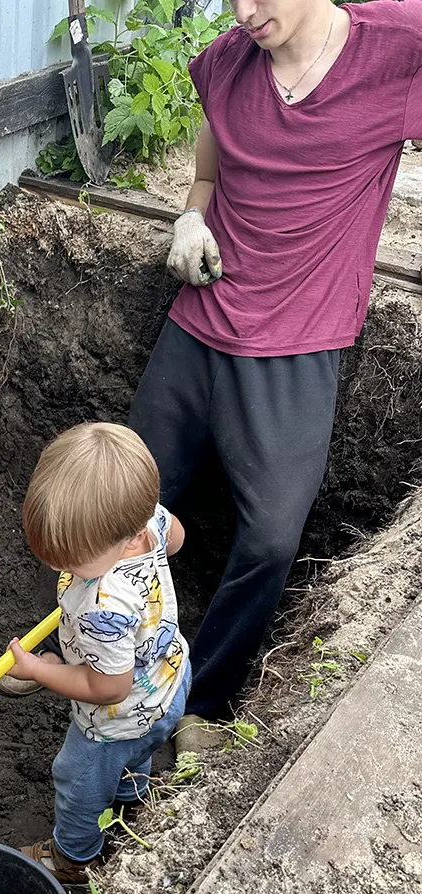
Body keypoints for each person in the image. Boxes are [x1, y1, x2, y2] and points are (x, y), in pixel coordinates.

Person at [128, 0, 422, 748]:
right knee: (122, 503)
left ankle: (204, 704)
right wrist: (190, 217)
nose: (244, 11)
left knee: (267, 542)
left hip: (297, 339)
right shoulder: (230, 61)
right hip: (202, 312)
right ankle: (102, 655)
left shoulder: (397, 49)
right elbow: (208, 169)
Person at [4, 423, 191, 885]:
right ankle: (132, 799)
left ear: (122, 539)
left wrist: (41, 671)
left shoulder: (101, 608)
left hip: (114, 720)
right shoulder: (150, 519)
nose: (55, 567)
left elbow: (108, 687)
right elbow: (177, 539)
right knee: (138, 751)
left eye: (69, 560)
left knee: (78, 780)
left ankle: (72, 857)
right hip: (169, 682)